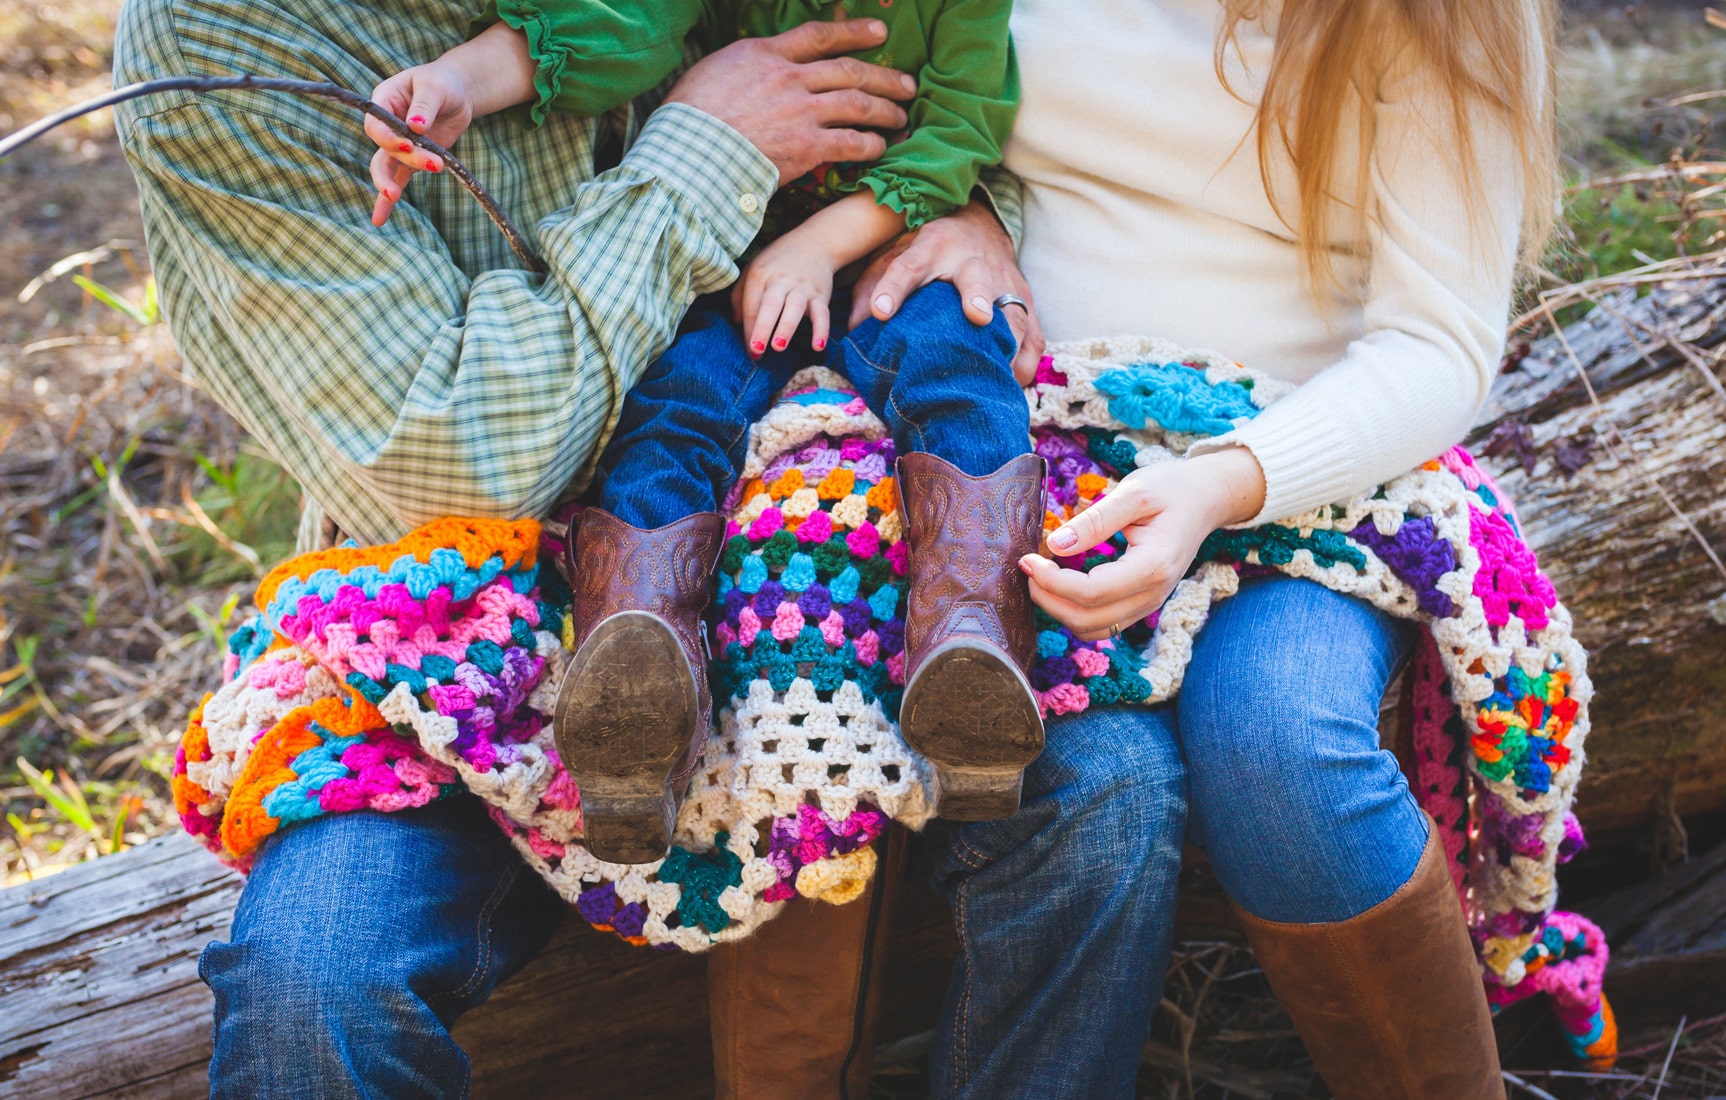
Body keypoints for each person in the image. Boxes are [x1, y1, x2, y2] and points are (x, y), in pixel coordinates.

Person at [112, 0, 1038, 1092]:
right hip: (444, 628)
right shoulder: (229, 37)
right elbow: (458, 466)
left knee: (1075, 798)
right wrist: (708, 147)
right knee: (312, 985)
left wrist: (961, 208)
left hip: (791, 548)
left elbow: (952, 92)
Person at [858, 0, 1560, 1095]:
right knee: (1093, 779)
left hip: (1309, 475)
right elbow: (924, 90)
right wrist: (971, 208)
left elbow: (1437, 341)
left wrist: (1217, 484)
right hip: (1031, 444)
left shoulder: (1437, 18)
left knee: (1277, 737)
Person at [350, 0, 1044, 865]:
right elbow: (619, 25)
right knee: (676, 402)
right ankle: (635, 674)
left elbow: (958, 131)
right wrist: (458, 84)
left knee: (957, 370)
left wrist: (822, 246)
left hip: (888, 247)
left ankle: (973, 641)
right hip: (736, 251)